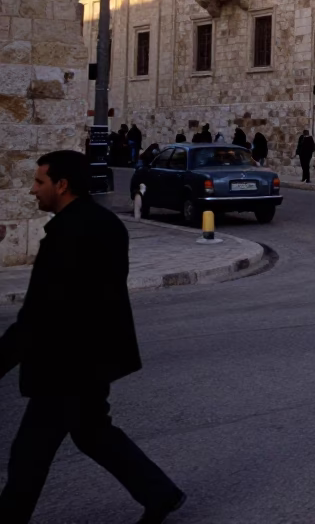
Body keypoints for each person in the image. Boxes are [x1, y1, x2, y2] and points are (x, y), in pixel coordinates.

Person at [0, 151, 186, 523]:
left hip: (66, 363)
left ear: (62, 185)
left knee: (30, 453)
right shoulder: (105, 223)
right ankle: (160, 493)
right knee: (92, 433)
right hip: (94, 358)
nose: (34, 190)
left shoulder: (67, 235)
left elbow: (42, 313)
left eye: (39, 182)